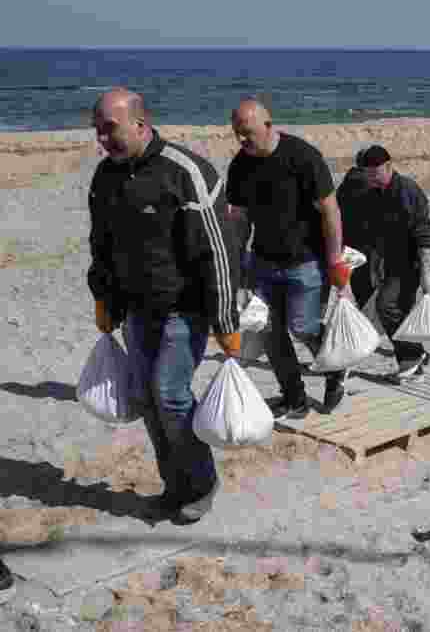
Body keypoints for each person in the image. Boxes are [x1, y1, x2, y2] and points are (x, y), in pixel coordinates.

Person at [88, 88, 240, 524]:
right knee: (148, 402)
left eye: (110, 128)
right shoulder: (105, 178)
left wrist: (226, 320)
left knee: (172, 398)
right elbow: (102, 245)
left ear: (139, 123)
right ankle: (175, 487)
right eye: (98, 130)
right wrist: (104, 298)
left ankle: (202, 483)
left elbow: (219, 252)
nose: (103, 138)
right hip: (136, 311)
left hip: (183, 310)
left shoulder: (186, 172)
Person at [225, 99, 350, 420]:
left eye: (247, 133)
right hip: (263, 263)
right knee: (270, 333)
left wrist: (335, 261)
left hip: (306, 261)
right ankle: (294, 397)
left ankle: (336, 368)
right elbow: (239, 220)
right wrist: (238, 267)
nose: (242, 140)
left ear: (268, 126)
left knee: (304, 326)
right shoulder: (239, 166)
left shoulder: (303, 157)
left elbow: (330, 211)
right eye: (237, 134)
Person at [334, 145, 430, 382]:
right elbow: (373, 234)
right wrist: (369, 263)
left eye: (375, 173)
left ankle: (411, 360)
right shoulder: (373, 193)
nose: (371, 178)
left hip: (417, 258)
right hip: (391, 260)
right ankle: (416, 356)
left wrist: (425, 267)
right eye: (368, 173)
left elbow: (423, 229)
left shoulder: (406, 189)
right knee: (393, 308)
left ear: (389, 167)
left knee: (387, 305)